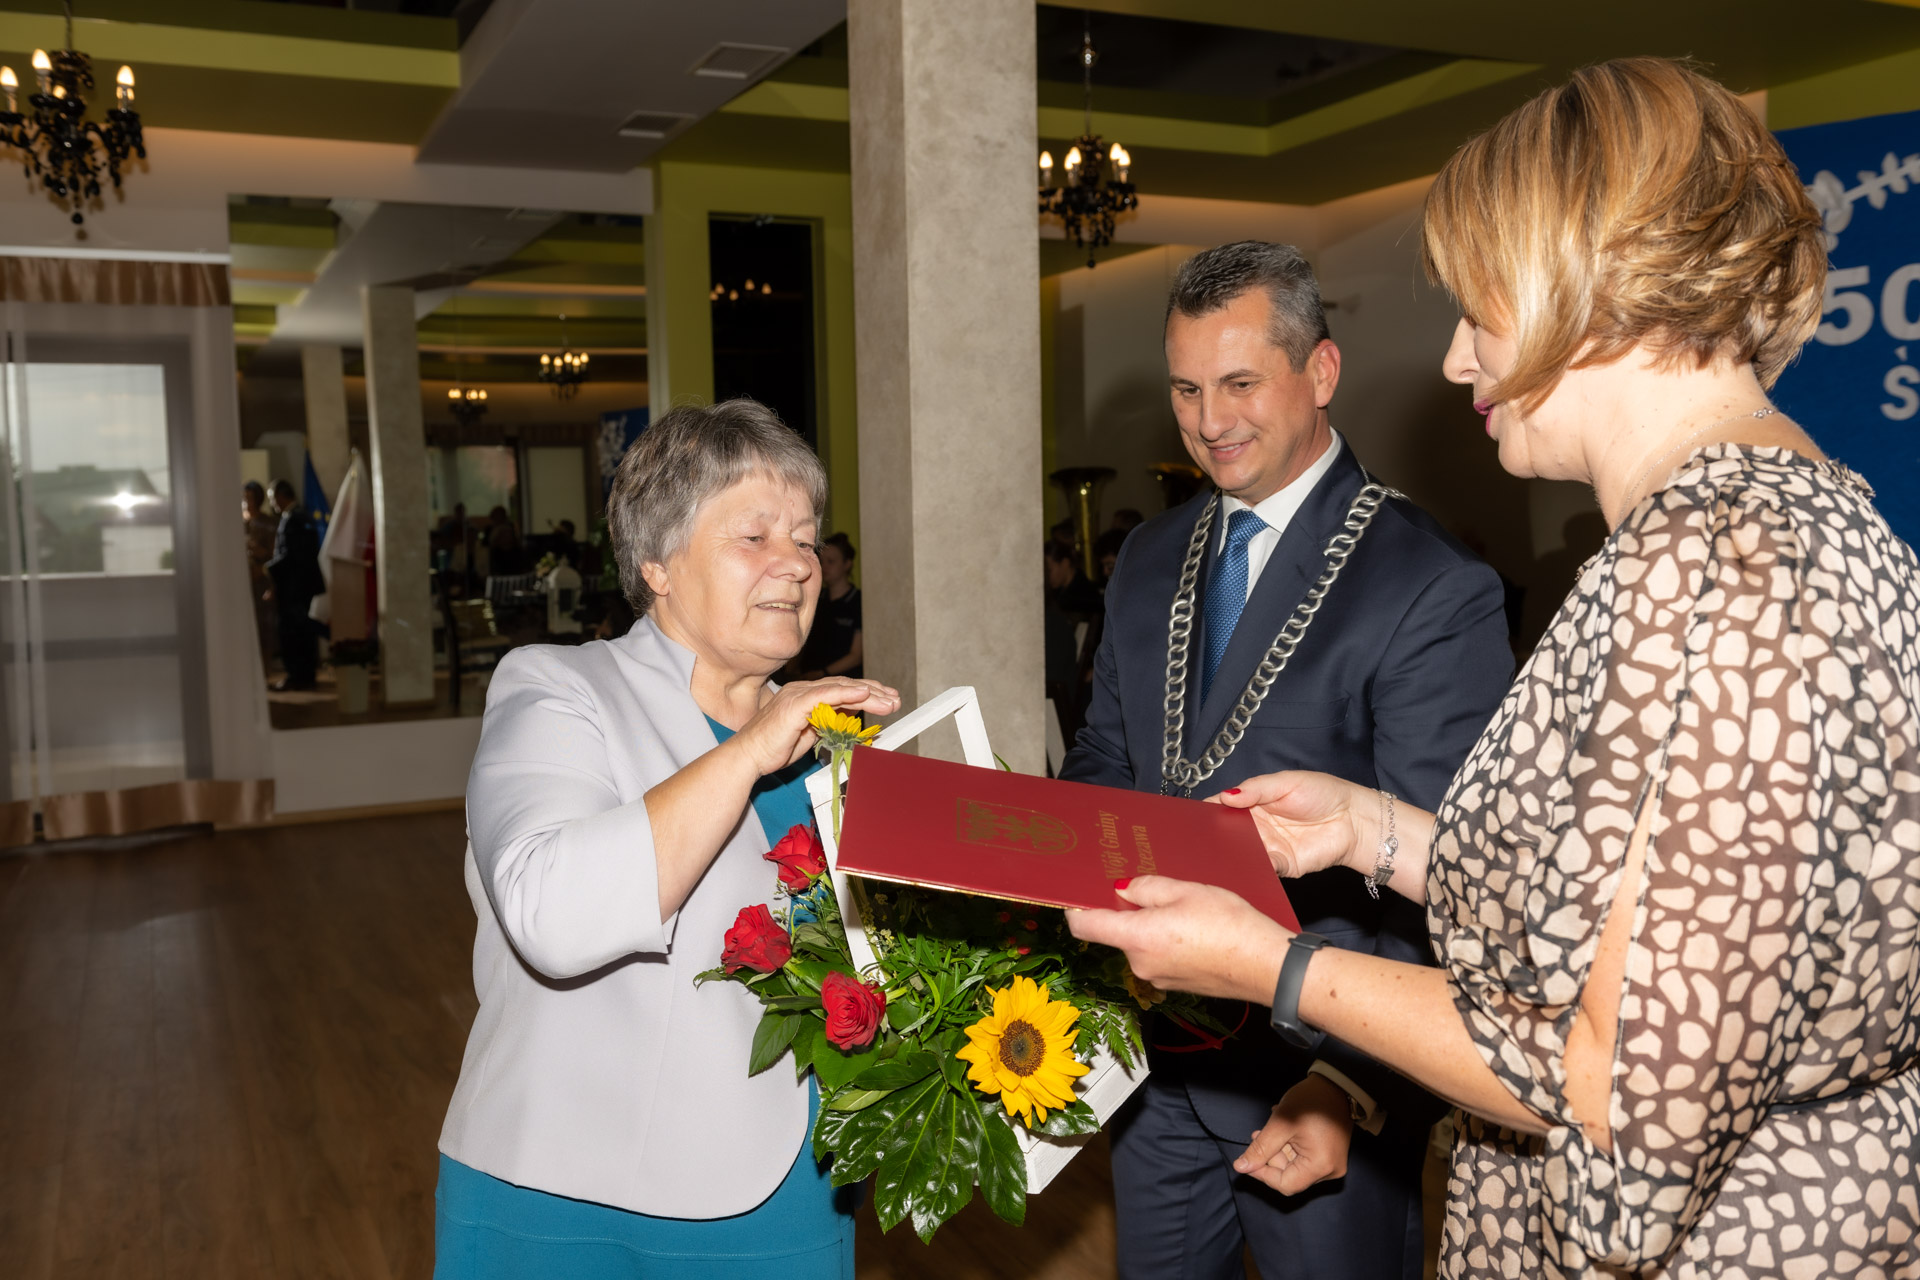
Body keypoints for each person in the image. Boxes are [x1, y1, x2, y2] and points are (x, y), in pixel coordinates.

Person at [1067, 58, 1920, 1280]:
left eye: (1482, 309)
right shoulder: (1771, 523)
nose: (1458, 360)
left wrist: (1273, 964)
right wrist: (1375, 830)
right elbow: (1625, 919)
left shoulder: (1718, 568)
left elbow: (1620, 1094)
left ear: (1596, 291)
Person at [1059, 239, 1513, 1280]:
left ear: (1321, 371)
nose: (1209, 419)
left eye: (1239, 383)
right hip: (1154, 1064)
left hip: (1320, 1072)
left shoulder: (1429, 582)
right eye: (1185, 389)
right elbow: (1104, 757)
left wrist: (1350, 1086)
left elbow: (1452, 876)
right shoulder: (1149, 556)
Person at [436, 399, 899, 1279]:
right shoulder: (558, 690)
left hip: (792, 1186)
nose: (797, 563)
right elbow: (550, 911)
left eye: (806, 539)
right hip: (570, 1193)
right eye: (754, 536)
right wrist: (754, 748)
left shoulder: (834, 739)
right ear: (657, 562)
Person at [264, 479, 324, 691]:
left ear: (282, 495)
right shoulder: (301, 515)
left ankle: (297, 676)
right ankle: (305, 676)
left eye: (273, 498)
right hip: (301, 588)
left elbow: (292, 555)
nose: (272, 504)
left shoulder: (293, 519)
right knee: (304, 633)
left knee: (294, 634)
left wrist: (267, 569)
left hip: (295, 589)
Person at [790, 532, 862, 679]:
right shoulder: (815, 597)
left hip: (844, 681)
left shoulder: (858, 601)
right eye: (821, 561)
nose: (824, 567)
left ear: (847, 564)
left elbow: (857, 655)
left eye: (831, 562)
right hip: (807, 680)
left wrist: (823, 673)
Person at [242, 480, 278, 662]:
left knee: (263, 625)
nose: (247, 502)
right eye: (245, 498)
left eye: (250, 498)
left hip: (261, 579)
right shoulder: (239, 522)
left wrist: (259, 551)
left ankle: (265, 665)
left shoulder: (268, 523)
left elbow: (275, 554)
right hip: (242, 581)